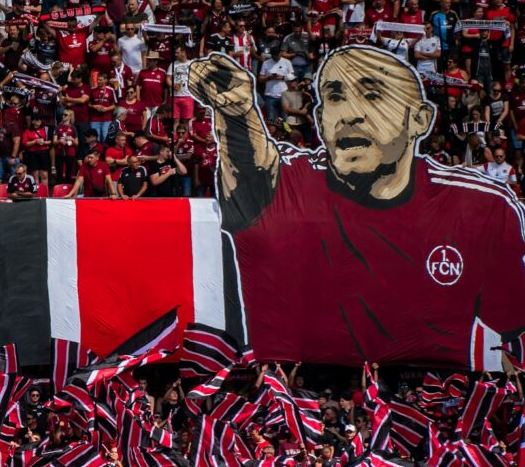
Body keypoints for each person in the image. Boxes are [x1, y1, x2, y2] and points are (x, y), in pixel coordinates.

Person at [188, 46, 525, 366]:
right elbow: (254, 171)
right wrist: (237, 112)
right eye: (335, 97)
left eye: (373, 94)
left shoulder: (481, 206)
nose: (350, 114)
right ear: (320, 120)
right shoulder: (293, 179)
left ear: (420, 119)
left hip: (426, 397)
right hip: (286, 395)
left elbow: (514, 330)